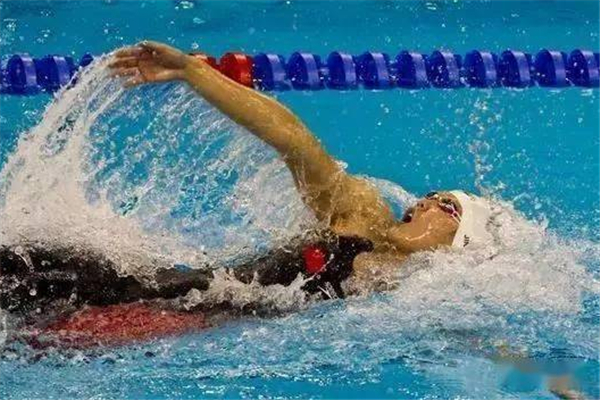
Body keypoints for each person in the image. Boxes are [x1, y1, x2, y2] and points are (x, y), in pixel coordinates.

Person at [0, 41, 496, 317]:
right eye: (429, 196)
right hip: (152, 292)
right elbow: (293, 140)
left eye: (446, 206)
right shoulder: (363, 214)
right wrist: (194, 72)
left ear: (461, 243)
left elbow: (493, 351)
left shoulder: (413, 298)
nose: (423, 203)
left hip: (159, 323)